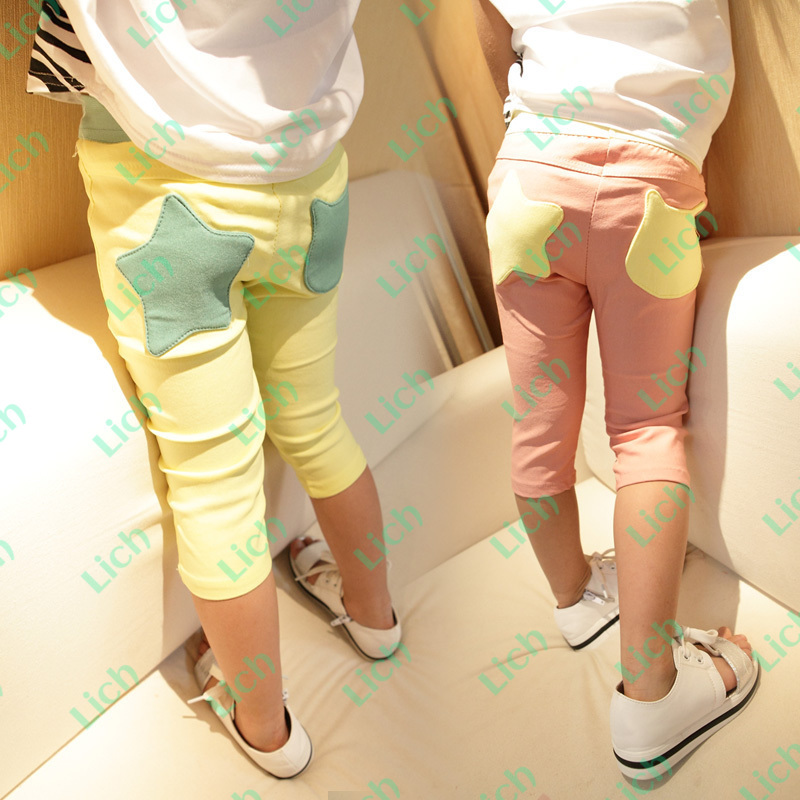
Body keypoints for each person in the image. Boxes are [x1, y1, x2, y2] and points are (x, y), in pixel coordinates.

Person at [26, 0, 400, 778]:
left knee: (214, 483)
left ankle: (265, 728)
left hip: (166, 191)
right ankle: (376, 619)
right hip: (312, 181)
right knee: (317, 421)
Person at [471, 0, 759, 777]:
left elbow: (493, 32)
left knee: (537, 422)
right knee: (646, 432)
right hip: (648, 178)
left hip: (530, 169)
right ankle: (653, 693)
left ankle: (575, 601)